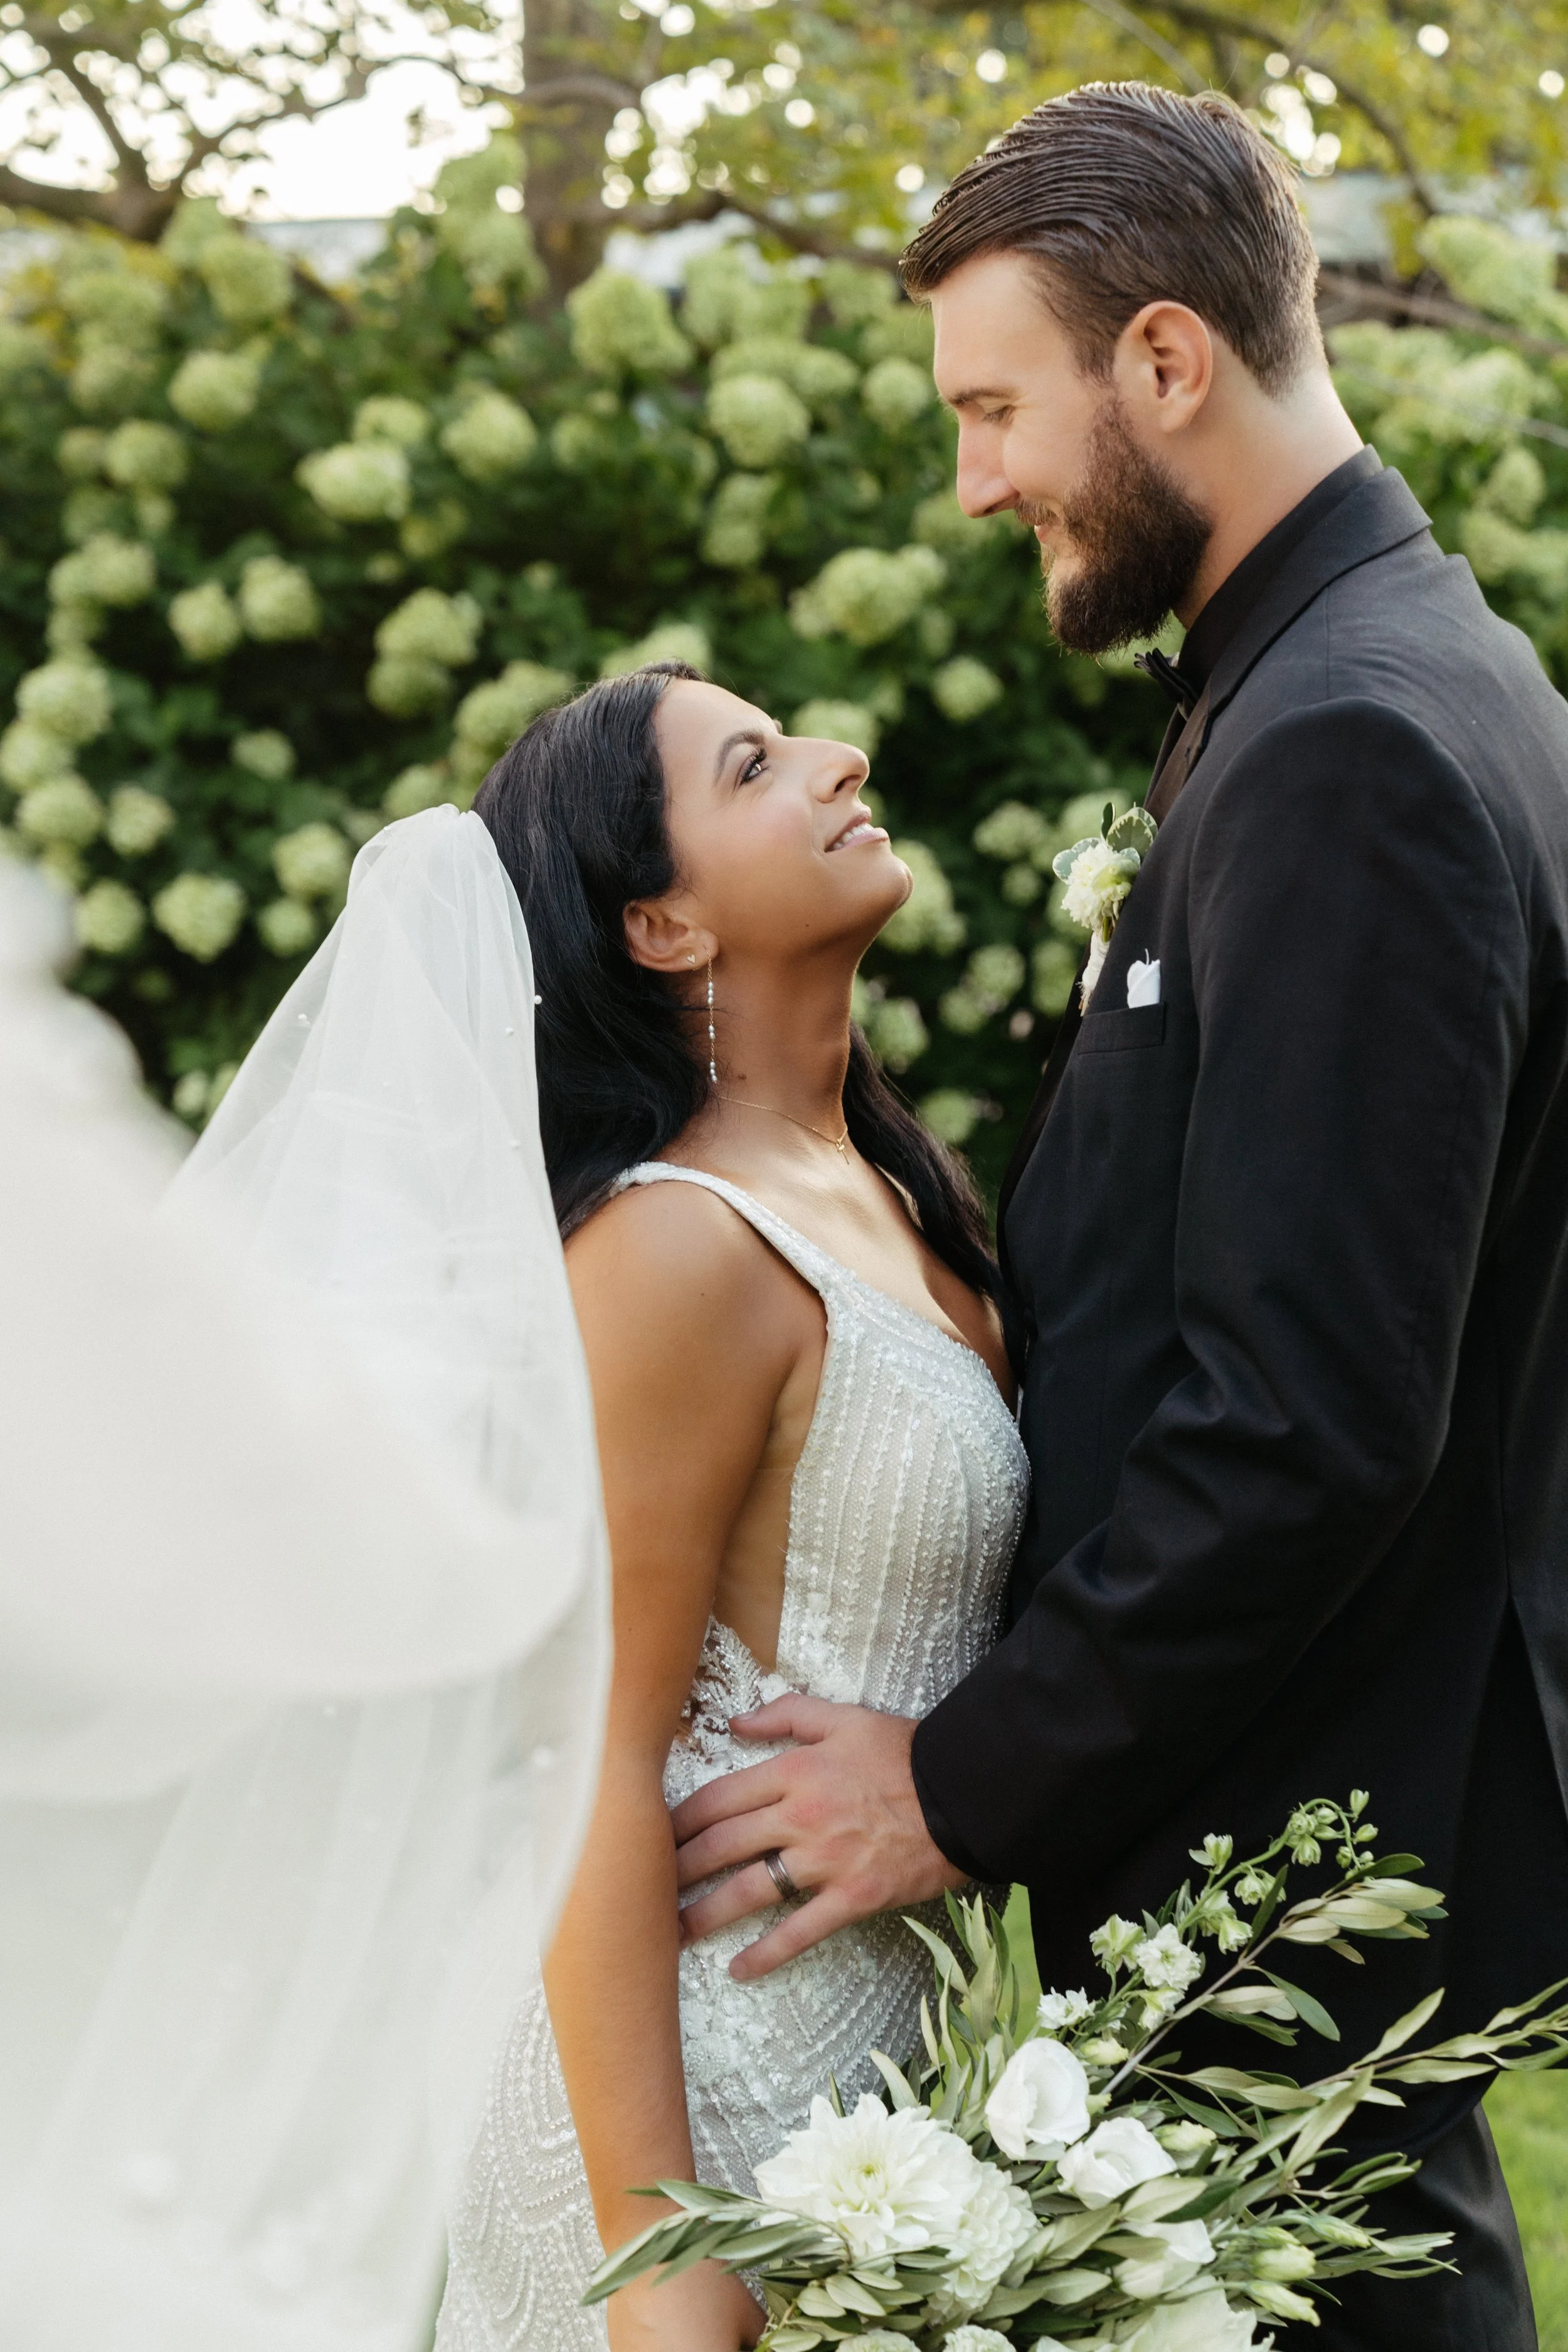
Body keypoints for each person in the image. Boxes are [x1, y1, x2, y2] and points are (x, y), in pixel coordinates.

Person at [670, 84, 1568, 2351]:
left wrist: (957, 1786)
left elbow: (1307, 1420)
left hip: (1274, 1869)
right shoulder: (1354, 678)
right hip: (1267, 1861)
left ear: (1165, 362)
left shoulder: (1351, 742)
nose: (973, 479)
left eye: (995, 407)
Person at [430, 662, 1027, 2351]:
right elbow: (579, 1749)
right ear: (662, 926)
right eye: (758, 764)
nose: (843, 755)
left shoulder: (889, 1189)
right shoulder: (673, 1246)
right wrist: (658, 2255)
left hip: (879, 2070)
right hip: (699, 2084)